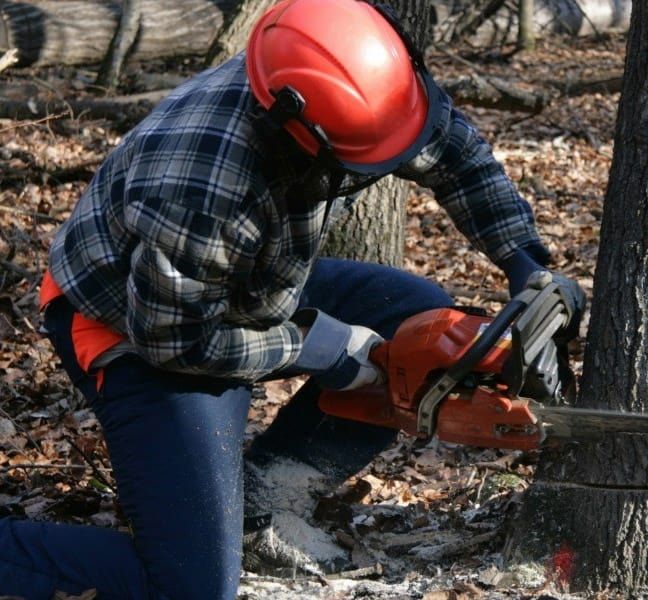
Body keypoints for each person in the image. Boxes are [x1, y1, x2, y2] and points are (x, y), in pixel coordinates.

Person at [0, 0, 584, 598]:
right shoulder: (204, 181)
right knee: (191, 587)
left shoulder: (355, 77)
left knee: (416, 322)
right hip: (133, 322)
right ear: (299, 135)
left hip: (246, 276)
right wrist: (316, 348)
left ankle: (268, 495)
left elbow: (455, 156)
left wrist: (524, 263)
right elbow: (175, 339)